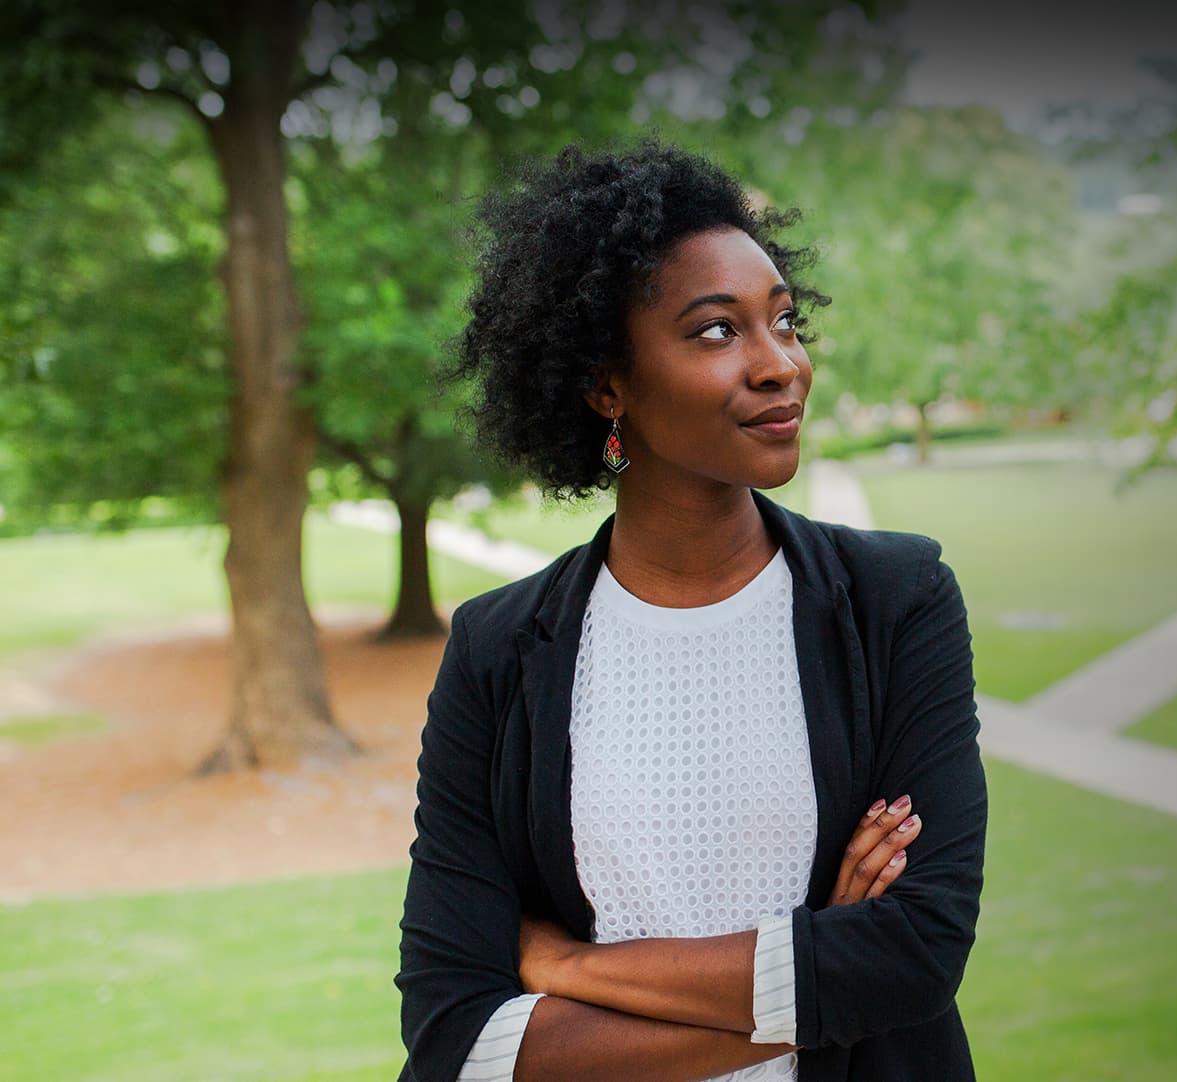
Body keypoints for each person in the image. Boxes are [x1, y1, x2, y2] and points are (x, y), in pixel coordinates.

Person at [393, 137, 989, 1082]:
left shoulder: (895, 602)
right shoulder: (498, 651)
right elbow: (456, 1036)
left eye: (784, 323)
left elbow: (913, 957)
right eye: (718, 330)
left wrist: (571, 969)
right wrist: (818, 970)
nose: (778, 365)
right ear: (605, 385)